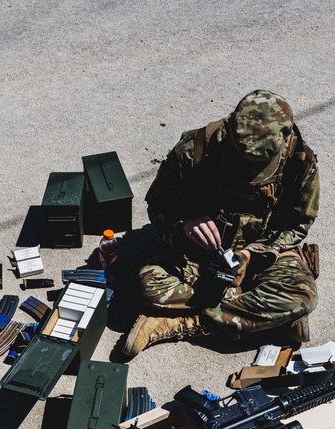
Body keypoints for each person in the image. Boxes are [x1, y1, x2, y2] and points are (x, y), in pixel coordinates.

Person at [122, 90, 320, 357]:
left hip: (263, 254)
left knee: (302, 298)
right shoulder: (194, 150)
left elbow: (299, 224)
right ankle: (266, 316)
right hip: (197, 254)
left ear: (283, 142)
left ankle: (187, 321)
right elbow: (158, 205)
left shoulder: (300, 162)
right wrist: (183, 226)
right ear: (227, 131)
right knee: (149, 287)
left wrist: (253, 254)